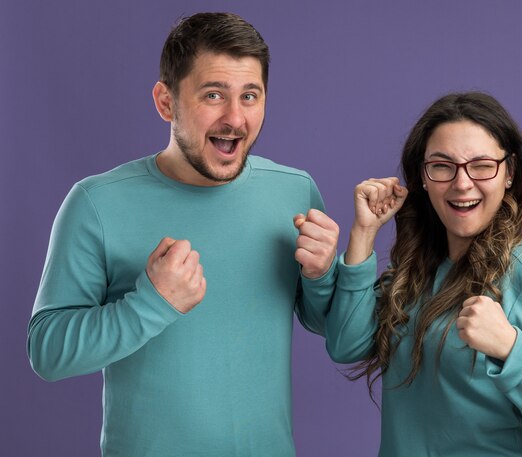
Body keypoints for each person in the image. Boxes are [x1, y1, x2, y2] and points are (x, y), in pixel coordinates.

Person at [28, 12, 339, 457]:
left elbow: (326, 322)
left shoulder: (295, 190)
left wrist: (324, 273)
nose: (235, 118)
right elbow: (48, 352)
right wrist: (150, 304)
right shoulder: (95, 203)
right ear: (165, 101)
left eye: (250, 96)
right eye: (213, 95)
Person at [325, 92, 522, 456]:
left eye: (482, 165)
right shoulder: (418, 266)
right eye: (442, 165)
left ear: (509, 173)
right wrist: (363, 234)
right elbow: (346, 344)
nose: (462, 183)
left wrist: (510, 347)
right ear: (423, 176)